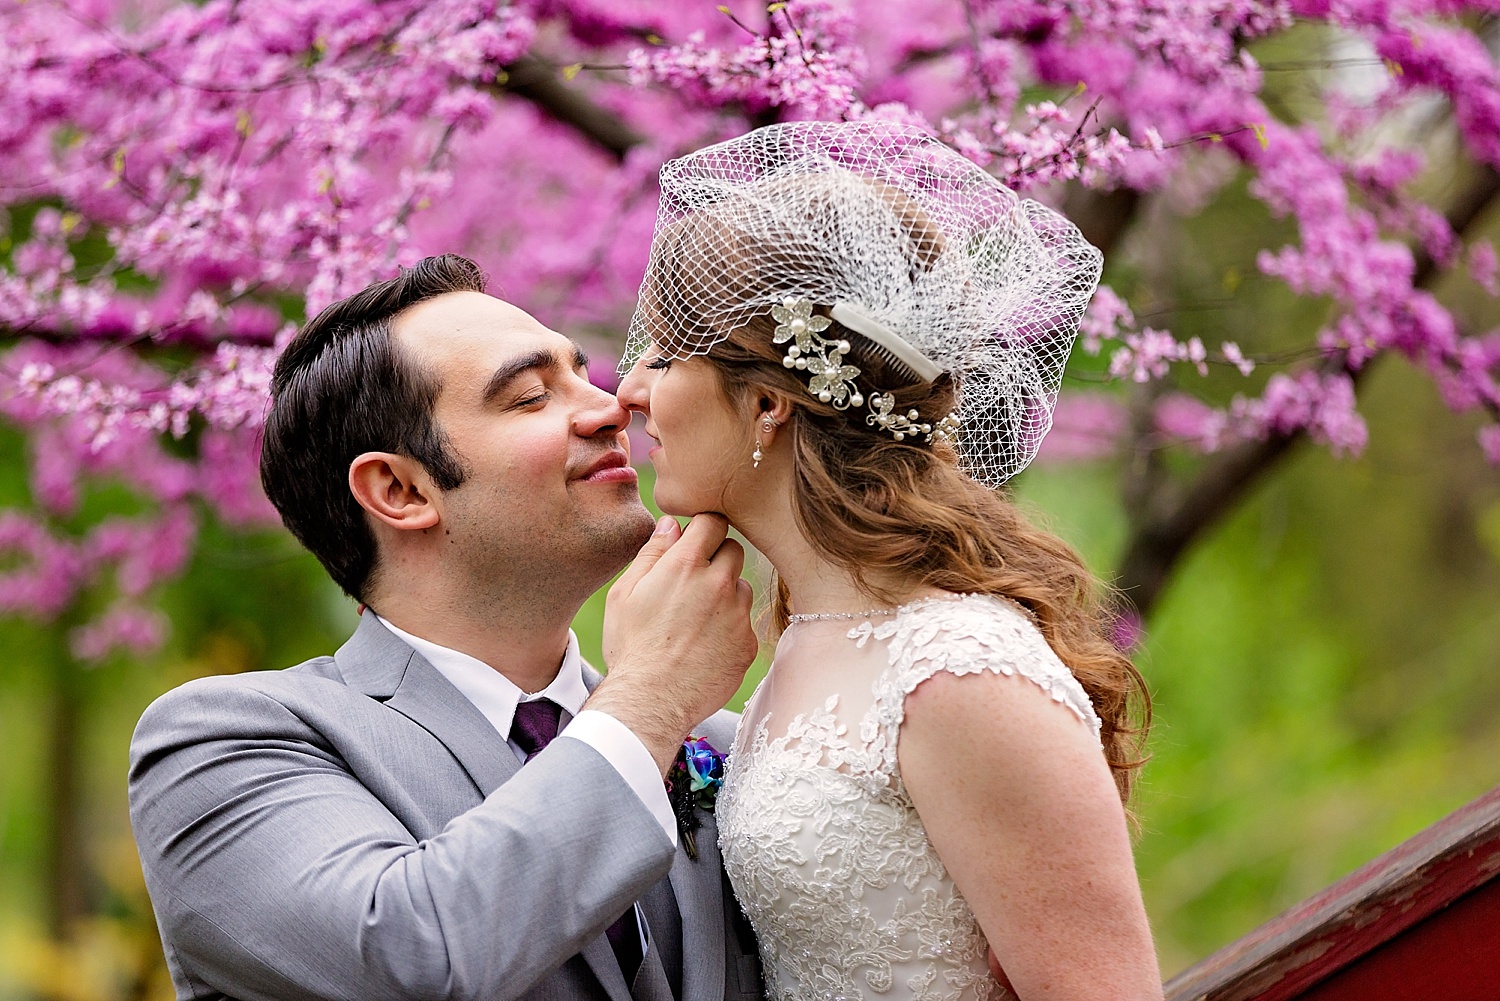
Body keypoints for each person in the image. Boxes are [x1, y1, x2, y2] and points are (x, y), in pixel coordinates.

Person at [615, 122, 1163, 1001]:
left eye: (667, 355)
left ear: (765, 402)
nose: (630, 389)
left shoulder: (958, 671)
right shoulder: (809, 630)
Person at [128, 255, 765, 1001]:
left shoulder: (734, 748)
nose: (610, 405)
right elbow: (410, 958)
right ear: (399, 489)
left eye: (581, 374)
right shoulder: (219, 745)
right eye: (530, 396)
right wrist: (650, 696)